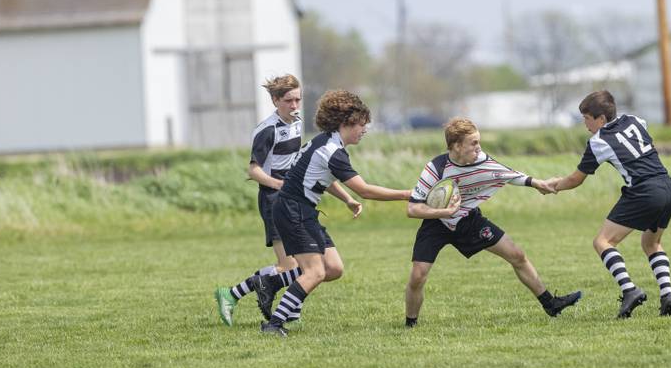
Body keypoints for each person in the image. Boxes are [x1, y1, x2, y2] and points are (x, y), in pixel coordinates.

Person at [259, 90, 411, 337]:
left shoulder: (325, 141)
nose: (364, 130)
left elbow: (322, 177)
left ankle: (272, 282)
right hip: (293, 210)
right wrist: (407, 194)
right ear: (346, 123)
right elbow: (366, 190)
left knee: (333, 268)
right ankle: (274, 324)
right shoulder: (333, 151)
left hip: (301, 209)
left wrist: (347, 200)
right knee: (315, 272)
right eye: (362, 124)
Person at [404, 117, 582, 328]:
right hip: (435, 225)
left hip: (469, 220)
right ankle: (410, 324)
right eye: (474, 143)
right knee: (418, 276)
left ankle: (550, 304)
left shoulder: (482, 161)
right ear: (456, 146)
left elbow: (509, 174)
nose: (479, 148)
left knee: (517, 255)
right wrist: (444, 211)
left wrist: (538, 183)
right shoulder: (436, 167)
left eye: (479, 142)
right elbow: (413, 208)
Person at [215, 75, 359, 328]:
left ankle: (285, 312)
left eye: (298, 100)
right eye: (289, 101)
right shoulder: (267, 130)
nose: (295, 106)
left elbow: (311, 166)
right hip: (275, 199)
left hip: (294, 196)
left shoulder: (297, 123)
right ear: (275, 100)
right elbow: (253, 170)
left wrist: (346, 197)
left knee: (306, 265)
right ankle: (234, 294)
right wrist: (278, 183)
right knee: (289, 265)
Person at [542, 90, 671, 318]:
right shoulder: (636, 120)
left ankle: (630, 290)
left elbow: (576, 179)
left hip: (644, 190)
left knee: (603, 241)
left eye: (587, 118)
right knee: (651, 243)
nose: (585, 124)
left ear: (601, 119)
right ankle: (668, 295)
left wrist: (554, 185)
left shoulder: (599, 141)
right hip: (668, 186)